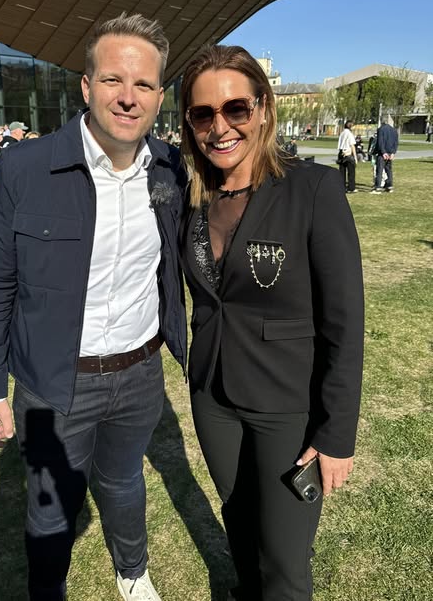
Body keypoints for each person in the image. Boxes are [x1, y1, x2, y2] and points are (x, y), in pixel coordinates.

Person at [0, 13, 187, 601]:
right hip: (53, 383)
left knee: (123, 482)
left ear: (158, 96)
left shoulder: (172, 169)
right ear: (86, 86)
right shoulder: (25, 168)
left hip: (140, 374)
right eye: (113, 79)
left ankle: (133, 571)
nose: (128, 96)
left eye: (143, 84)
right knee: (50, 506)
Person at [179, 45, 364, 601]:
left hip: (287, 406)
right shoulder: (194, 197)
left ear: (262, 108)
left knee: (284, 561)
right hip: (213, 397)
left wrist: (336, 434)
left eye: (235, 108)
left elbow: (344, 323)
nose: (220, 127)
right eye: (203, 114)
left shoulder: (313, 189)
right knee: (239, 525)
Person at [371, 120, 398, 194]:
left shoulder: (381, 129)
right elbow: (396, 143)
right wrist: (393, 152)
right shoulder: (394, 130)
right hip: (390, 152)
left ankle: (378, 186)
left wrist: (383, 152)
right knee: (389, 170)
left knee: (379, 170)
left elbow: (380, 142)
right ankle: (389, 185)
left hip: (382, 153)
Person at [337, 120, 357, 193]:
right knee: (351, 172)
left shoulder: (342, 133)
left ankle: (342, 187)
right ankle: (351, 188)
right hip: (348, 153)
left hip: (341, 153)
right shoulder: (349, 134)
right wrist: (355, 157)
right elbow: (352, 145)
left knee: (342, 172)